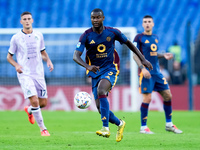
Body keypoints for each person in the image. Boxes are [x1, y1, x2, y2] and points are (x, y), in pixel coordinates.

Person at [73, 8, 153, 142]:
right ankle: (120, 123)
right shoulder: (86, 35)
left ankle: (105, 128)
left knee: (101, 90)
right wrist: (87, 67)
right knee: (100, 109)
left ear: (103, 18)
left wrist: (143, 59)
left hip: (111, 68)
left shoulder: (113, 32)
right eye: (93, 18)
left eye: (98, 17)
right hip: (94, 72)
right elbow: (76, 56)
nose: (95, 20)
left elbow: (129, 44)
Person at [133, 15, 183, 134]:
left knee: (168, 95)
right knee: (147, 98)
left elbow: (153, 53)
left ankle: (169, 124)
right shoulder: (138, 37)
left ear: (153, 24)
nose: (147, 23)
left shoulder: (155, 37)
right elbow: (135, 55)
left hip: (157, 73)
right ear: (142, 24)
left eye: (149, 21)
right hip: (146, 73)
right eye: (145, 22)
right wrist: (142, 68)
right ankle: (143, 127)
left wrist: (163, 55)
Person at [7, 11, 54, 136]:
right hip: (25, 73)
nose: (27, 21)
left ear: (32, 20)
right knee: (34, 100)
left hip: (38, 73)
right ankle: (43, 129)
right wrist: (16, 65)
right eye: (24, 19)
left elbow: (43, 52)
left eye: (29, 19)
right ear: (21, 22)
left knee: (43, 103)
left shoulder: (39, 35)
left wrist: (48, 60)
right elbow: (9, 57)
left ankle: (29, 110)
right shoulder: (16, 38)